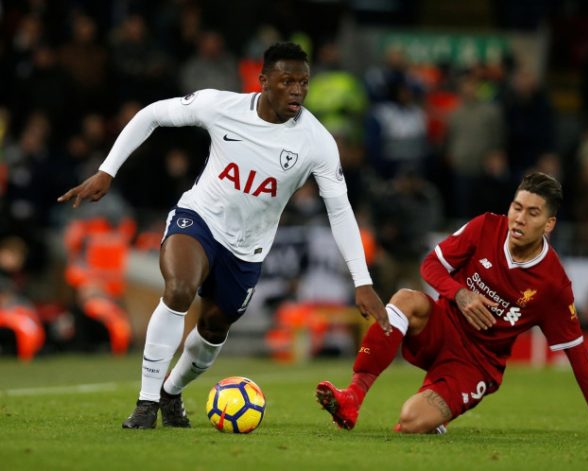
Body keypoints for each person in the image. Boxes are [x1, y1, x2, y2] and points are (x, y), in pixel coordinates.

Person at [57, 42, 389, 429]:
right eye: (287, 81)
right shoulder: (220, 106)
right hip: (199, 218)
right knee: (179, 289)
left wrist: (362, 281)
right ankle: (146, 402)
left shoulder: (317, 142)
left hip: (248, 248)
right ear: (264, 82)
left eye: (304, 82)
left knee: (215, 327)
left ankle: (172, 391)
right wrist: (107, 170)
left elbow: (340, 209)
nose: (297, 90)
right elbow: (151, 115)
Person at [316, 172, 588, 440]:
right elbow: (432, 265)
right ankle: (353, 397)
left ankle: (438, 410)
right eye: (517, 207)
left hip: (475, 365)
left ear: (548, 224)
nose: (519, 219)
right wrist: (460, 294)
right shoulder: (486, 227)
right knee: (406, 299)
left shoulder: (552, 284)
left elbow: (576, 351)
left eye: (532, 213)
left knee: (411, 420)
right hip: (441, 325)